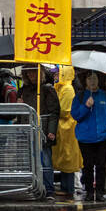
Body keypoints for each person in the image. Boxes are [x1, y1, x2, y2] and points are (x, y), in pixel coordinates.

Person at [72, 71, 106, 203]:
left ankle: (99, 192)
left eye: (95, 78)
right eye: (90, 79)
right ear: (85, 81)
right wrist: (86, 106)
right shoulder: (80, 96)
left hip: (103, 136)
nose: (93, 81)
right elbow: (76, 115)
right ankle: (89, 192)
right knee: (87, 165)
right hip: (85, 137)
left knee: (101, 165)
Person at [19, 66, 58, 199]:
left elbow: (54, 112)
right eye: (28, 72)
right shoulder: (23, 90)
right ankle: (31, 187)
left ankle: (49, 189)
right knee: (29, 160)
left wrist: (52, 131)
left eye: (33, 71)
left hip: (44, 130)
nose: (30, 75)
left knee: (46, 161)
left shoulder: (47, 89)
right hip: (27, 131)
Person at [52, 64, 82, 197]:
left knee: (68, 158)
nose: (54, 75)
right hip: (63, 128)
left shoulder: (68, 89)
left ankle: (68, 188)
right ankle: (65, 187)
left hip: (67, 129)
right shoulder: (61, 88)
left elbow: (64, 111)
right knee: (64, 158)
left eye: (57, 73)